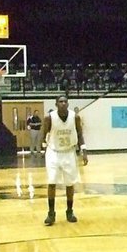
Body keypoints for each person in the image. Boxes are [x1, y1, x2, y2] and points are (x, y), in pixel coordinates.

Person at [41, 95, 87, 225]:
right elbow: (43, 134)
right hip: (53, 152)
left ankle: (69, 211)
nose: (63, 103)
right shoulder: (49, 117)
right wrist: (42, 149)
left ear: (68, 104)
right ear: (56, 104)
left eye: (65, 101)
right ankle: (51, 213)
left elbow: (79, 134)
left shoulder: (75, 117)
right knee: (51, 182)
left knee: (69, 184)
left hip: (69, 152)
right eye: (60, 102)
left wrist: (84, 151)